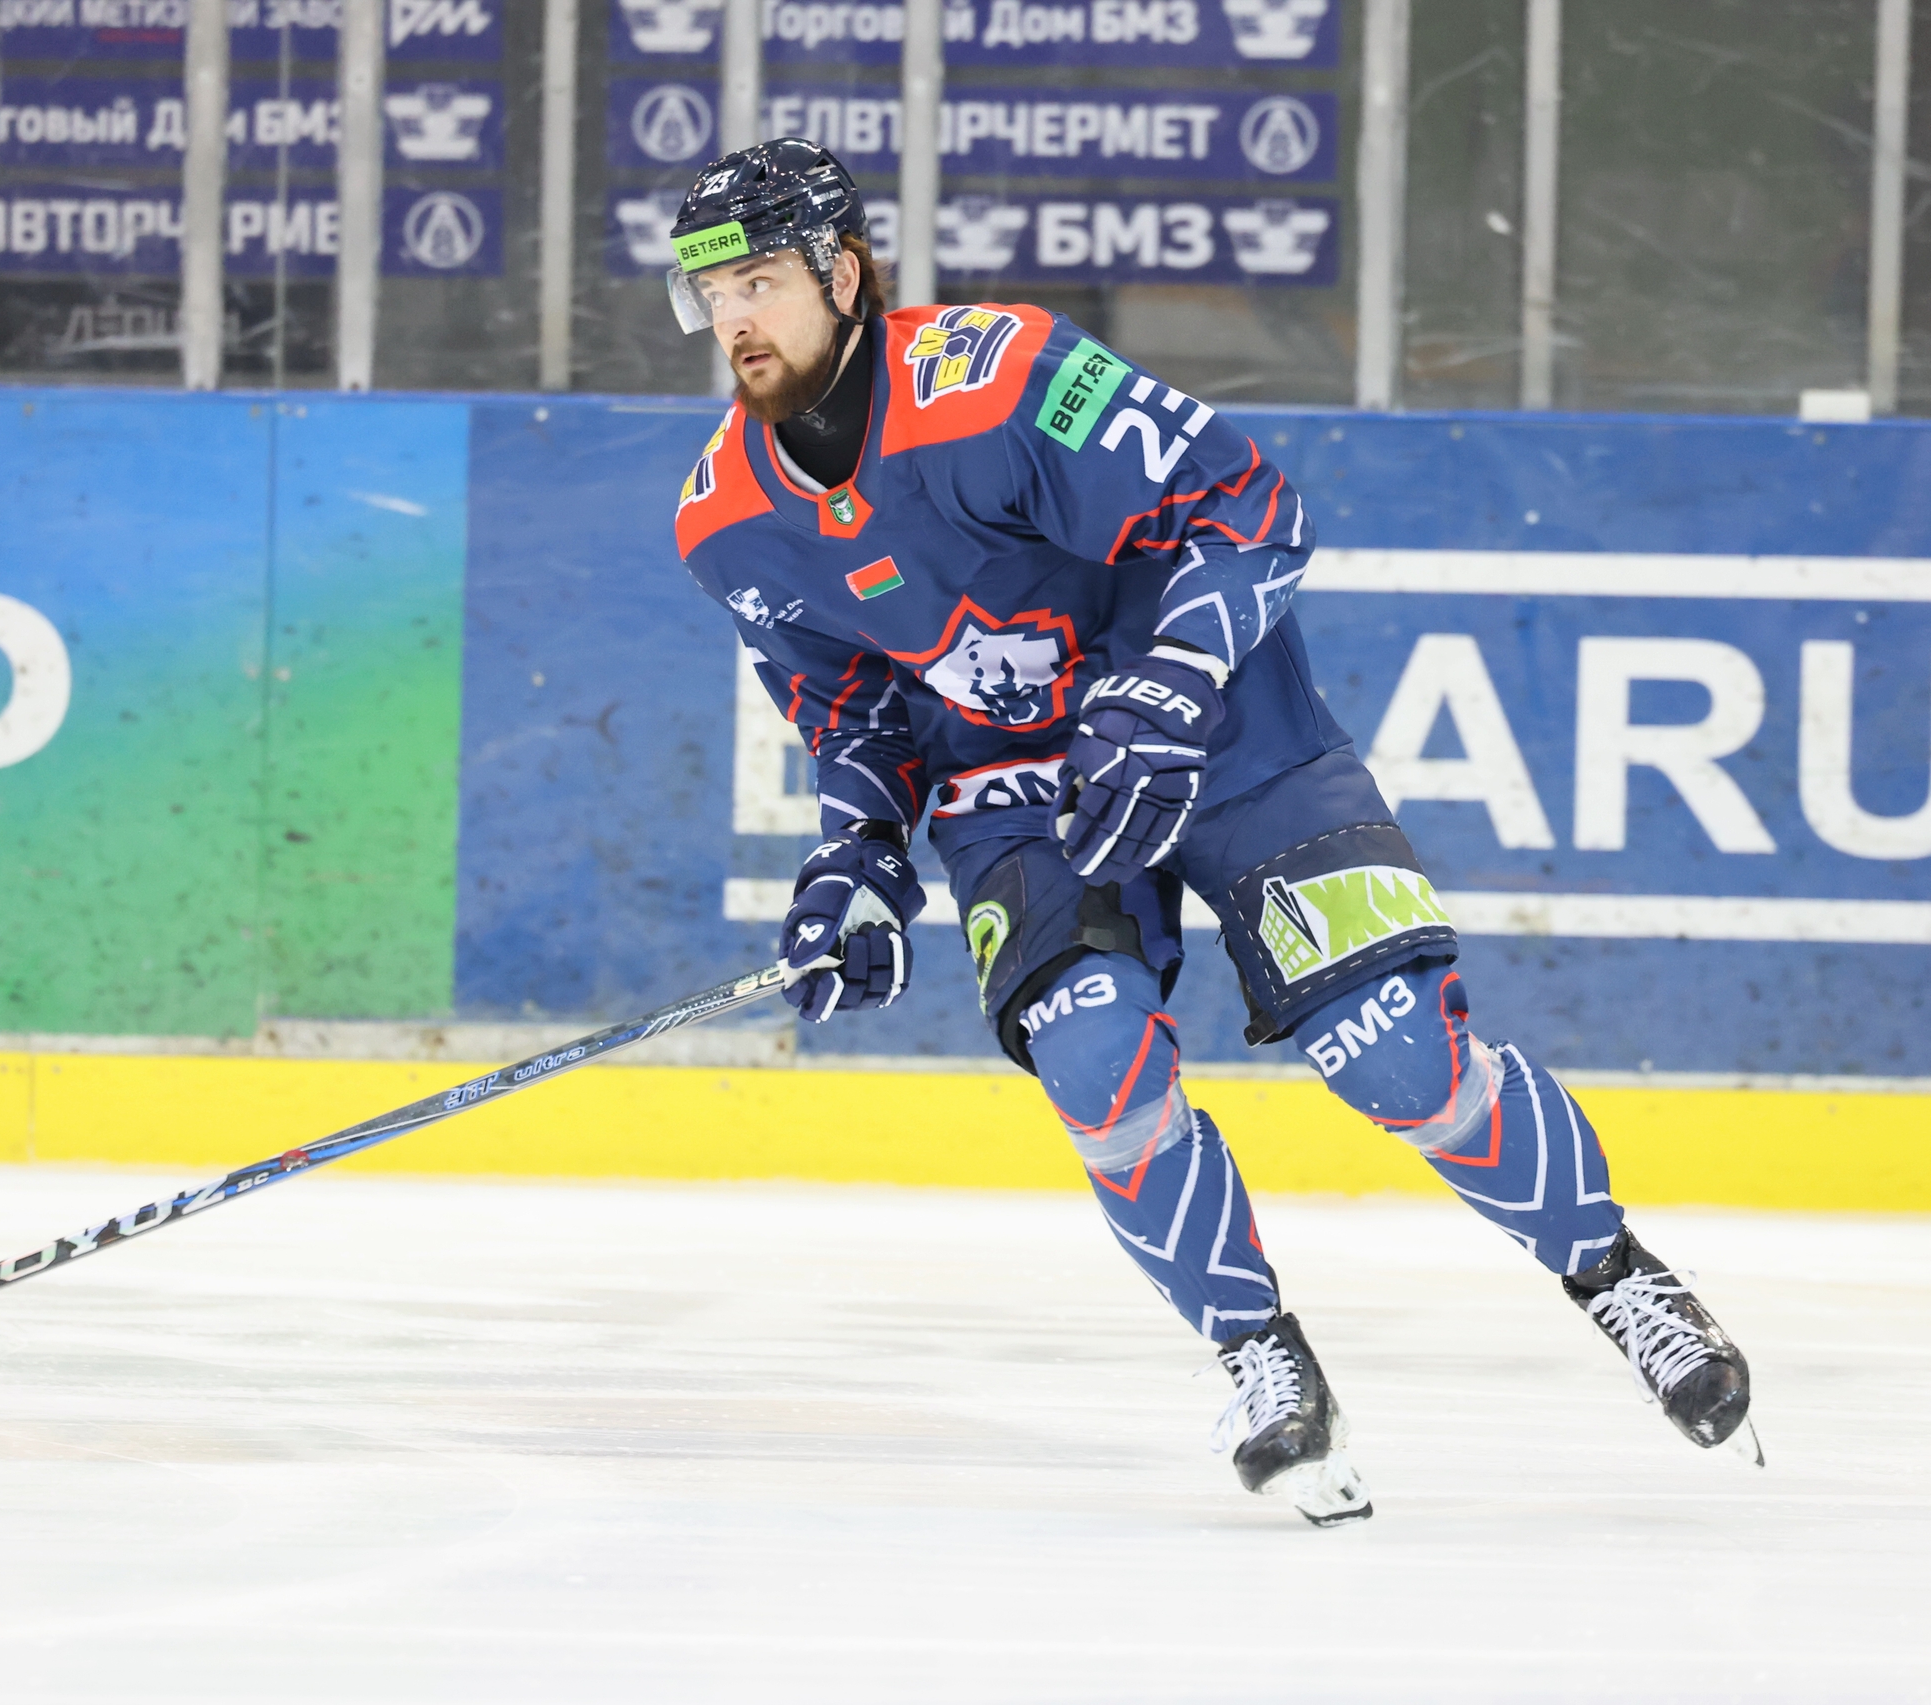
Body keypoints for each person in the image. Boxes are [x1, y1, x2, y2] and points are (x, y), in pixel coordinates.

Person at [665, 139, 1760, 1526]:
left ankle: (1617, 1277)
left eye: (760, 281)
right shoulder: (724, 522)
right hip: (1017, 785)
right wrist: (858, 857)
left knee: (1396, 1053)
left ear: (843, 274)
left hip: (1223, 728)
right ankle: (1256, 1351)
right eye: (712, 294)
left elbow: (1251, 508)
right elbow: (852, 711)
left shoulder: (1001, 373)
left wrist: (1171, 684)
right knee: (1096, 1063)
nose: (736, 320)